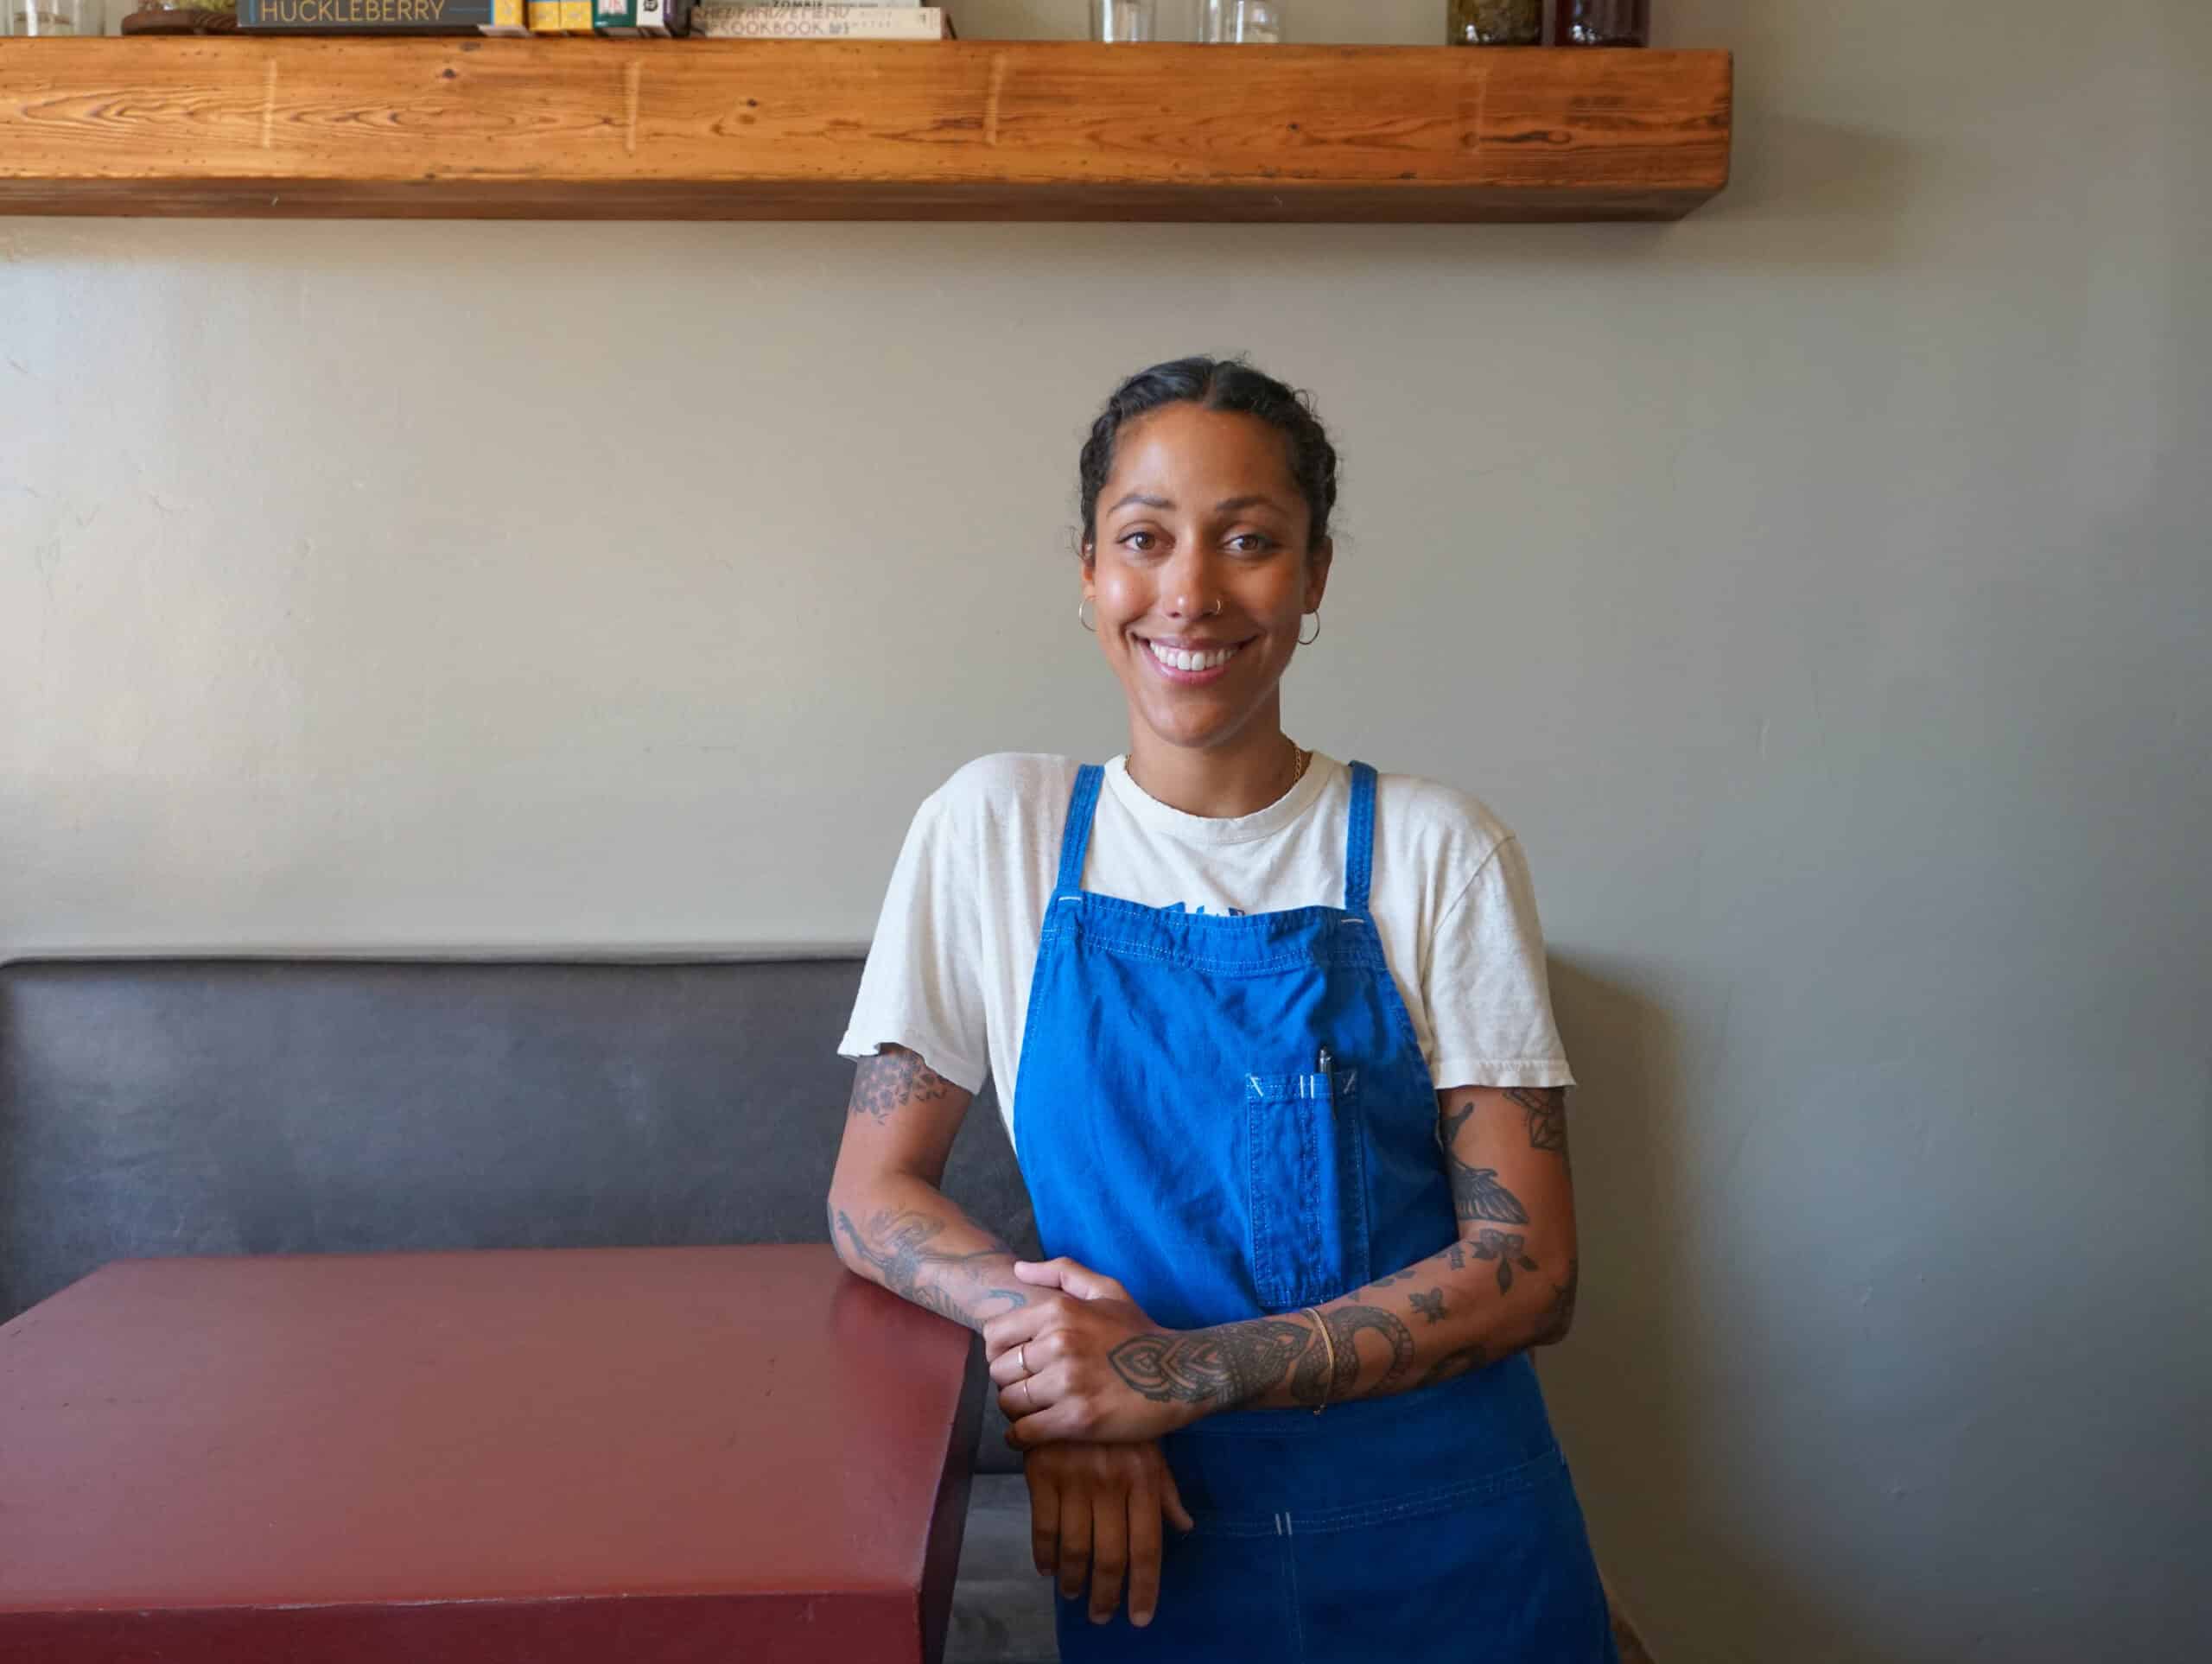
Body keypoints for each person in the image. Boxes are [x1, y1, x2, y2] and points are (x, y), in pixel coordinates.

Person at [829, 357, 1616, 1660]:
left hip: (1451, 1534)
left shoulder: (1436, 848)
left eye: (1250, 541)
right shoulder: (995, 831)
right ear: (1088, 569)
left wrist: (1172, 1374)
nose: (1189, 591)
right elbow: (871, 1193)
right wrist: (1070, 1382)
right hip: (1162, 1544)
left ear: (1312, 580)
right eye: (1145, 539)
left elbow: (1527, 1270)